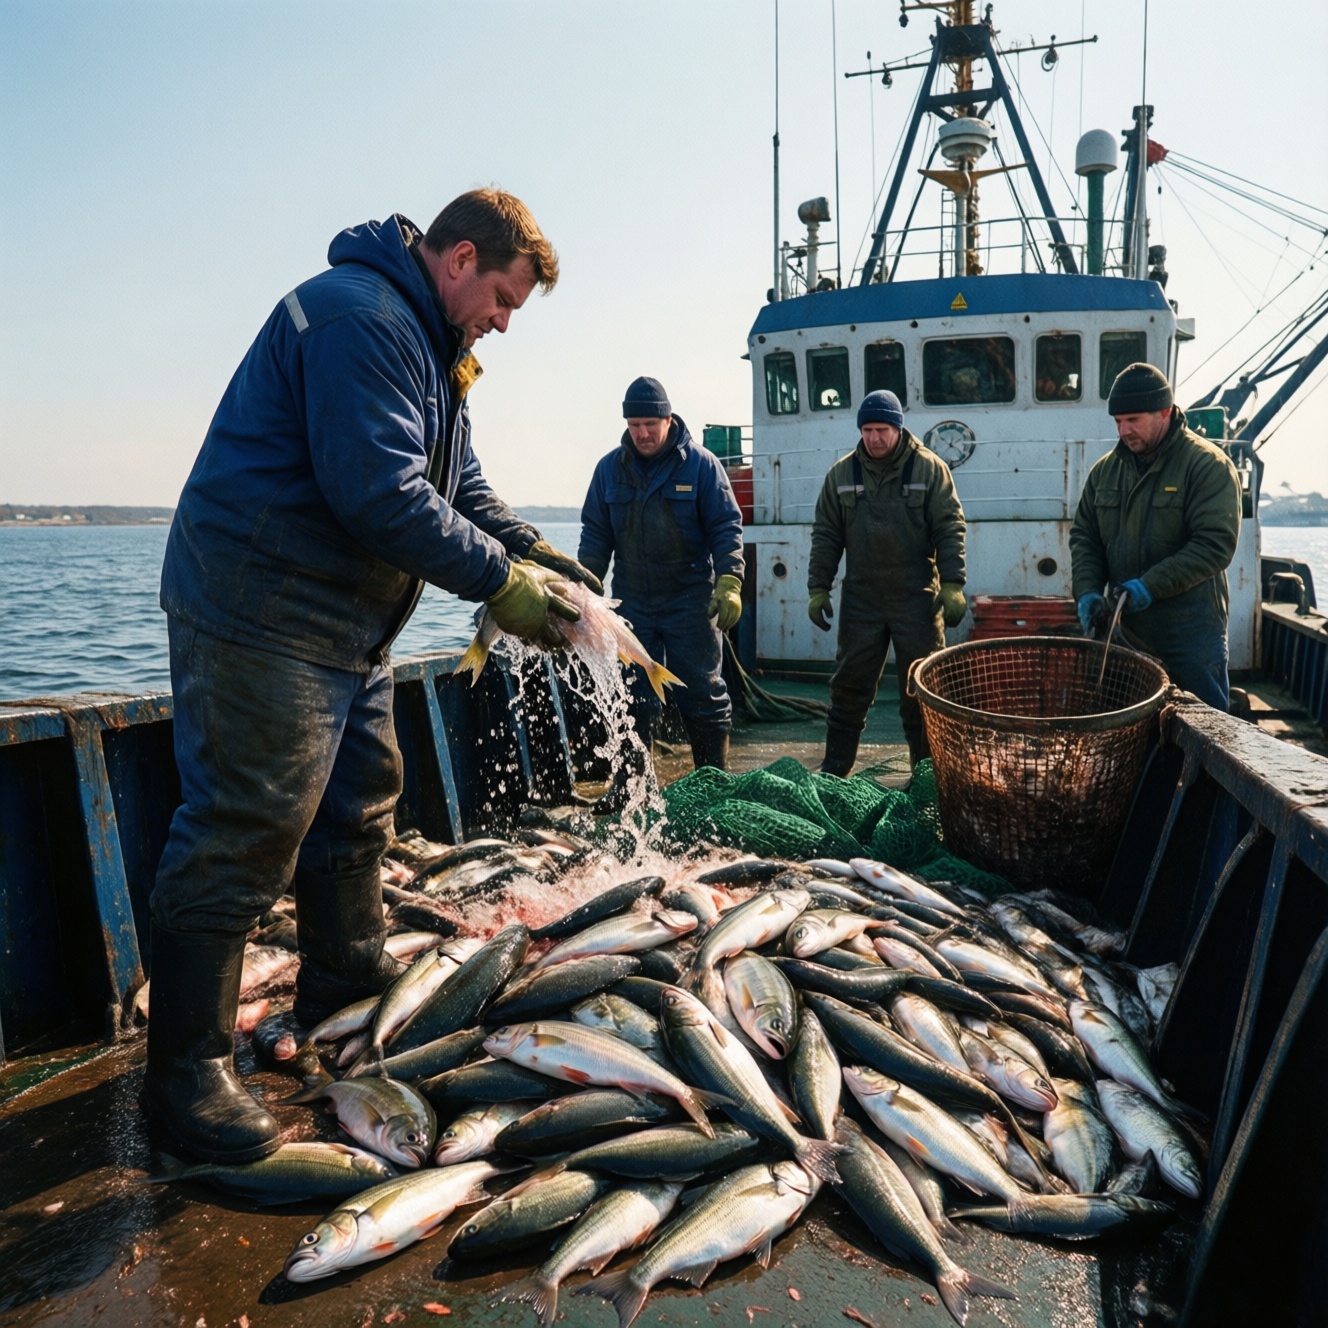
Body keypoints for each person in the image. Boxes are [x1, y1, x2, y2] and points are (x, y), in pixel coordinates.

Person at [145, 191, 602, 1165]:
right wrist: (500, 585)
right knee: (244, 828)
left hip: (345, 629)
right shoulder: (360, 317)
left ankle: (343, 999)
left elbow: (454, 484)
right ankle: (183, 1075)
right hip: (260, 611)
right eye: (502, 298)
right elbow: (377, 492)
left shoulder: (428, 344)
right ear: (459, 257)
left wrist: (526, 547)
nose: (503, 321)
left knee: (358, 808)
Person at [578, 377, 745, 804]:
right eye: (634, 424)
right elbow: (595, 540)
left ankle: (713, 784)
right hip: (630, 600)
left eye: (650, 423)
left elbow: (727, 527)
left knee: (703, 691)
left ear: (669, 420)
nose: (643, 433)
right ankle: (633, 786)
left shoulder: (702, 466)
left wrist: (730, 582)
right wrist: (582, 597)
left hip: (691, 597)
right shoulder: (608, 469)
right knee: (632, 695)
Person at [808, 389, 967, 775]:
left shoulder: (930, 469)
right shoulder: (841, 474)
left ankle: (928, 777)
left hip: (917, 599)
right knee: (849, 688)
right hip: (861, 600)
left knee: (922, 693)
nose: (874, 438)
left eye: (881, 429)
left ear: (898, 428)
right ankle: (834, 771)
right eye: (867, 430)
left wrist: (953, 583)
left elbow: (950, 527)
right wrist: (818, 588)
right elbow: (826, 534)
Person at [1070, 362, 1242, 710]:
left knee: (1204, 733)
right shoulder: (1104, 472)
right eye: (1118, 421)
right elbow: (1085, 537)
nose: (1123, 430)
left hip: (1190, 636)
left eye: (1133, 420)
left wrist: (1150, 586)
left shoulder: (1208, 466)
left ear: (1165, 412)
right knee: (1128, 737)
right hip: (1125, 634)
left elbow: (1213, 545)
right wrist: (1087, 591)